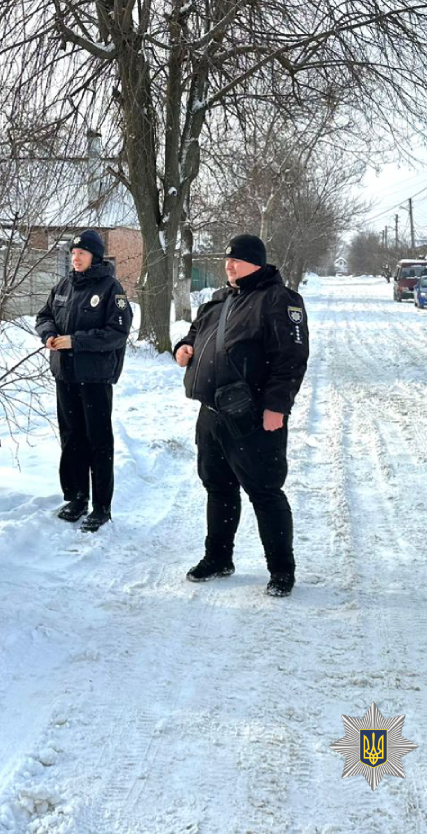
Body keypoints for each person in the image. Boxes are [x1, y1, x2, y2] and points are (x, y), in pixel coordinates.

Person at [173, 234, 308, 598]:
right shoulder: (219, 301)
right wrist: (183, 348)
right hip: (213, 412)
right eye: (226, 260)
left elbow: (291, 360)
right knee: (217, 487)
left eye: (236, 260)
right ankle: (218, 558)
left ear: (257, 263)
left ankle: (281, 570)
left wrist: (277, 407)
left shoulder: (279, 301)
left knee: (265, 492)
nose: (228, 266)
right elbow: (194, 334)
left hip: (254, 416)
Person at [35, 229, 132, 532]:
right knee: (72, 438)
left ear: (95, 256)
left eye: (82, 253)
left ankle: (101, 506)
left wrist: (76, 341)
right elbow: (44, 316)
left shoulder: (110, 289)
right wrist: (49, 335)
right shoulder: (63, 286)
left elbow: (117, 333)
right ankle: (77, 497)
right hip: (65, 375)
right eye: (73, 253)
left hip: (95, 378)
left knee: (98, 441)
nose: (76, 258)